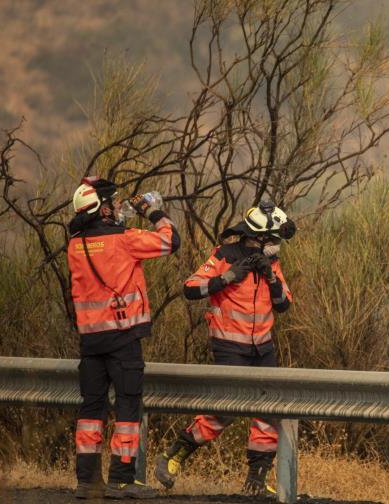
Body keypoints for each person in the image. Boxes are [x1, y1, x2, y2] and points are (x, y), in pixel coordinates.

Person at [155, 201, 295, 497]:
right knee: (224, 412)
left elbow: (283, 305)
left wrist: (270, 277)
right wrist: (227, 278)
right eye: (273, 240)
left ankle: (256, 482)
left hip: (263, 349)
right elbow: (190, 288)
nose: (277, 246)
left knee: (268, 412)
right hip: (230, 345)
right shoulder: (224, 255)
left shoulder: (272, 264)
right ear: (257, 237)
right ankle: (174, 454)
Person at [68, 177, 180, 499]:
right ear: (102, 209)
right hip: (122, 338)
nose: (119, 207)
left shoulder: (76, 245)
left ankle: (87, 481)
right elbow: (171, 242)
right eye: (114, 202)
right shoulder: (125, 239)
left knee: (91, 410)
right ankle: (120, 479)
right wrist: (154, 212)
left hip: (91, 342)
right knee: (128, 408)